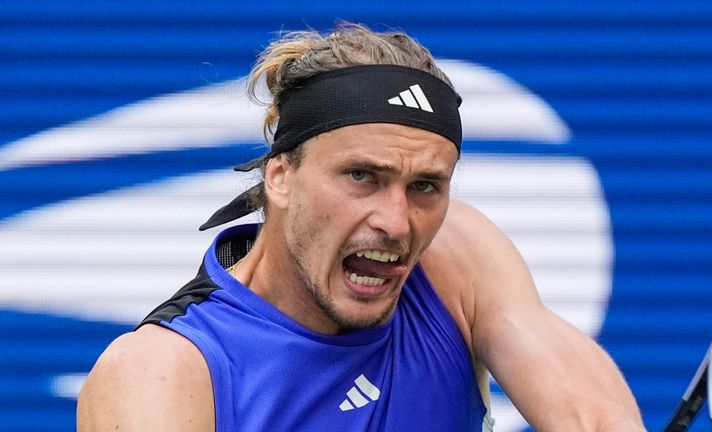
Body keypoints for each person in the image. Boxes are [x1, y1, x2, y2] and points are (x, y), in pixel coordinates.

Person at [77, 23, 646, 431]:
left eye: (425, 185)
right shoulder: (159, 373)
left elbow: (591, 419)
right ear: (280, 177)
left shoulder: (457, 260)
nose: (397, 223)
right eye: (361, 177)